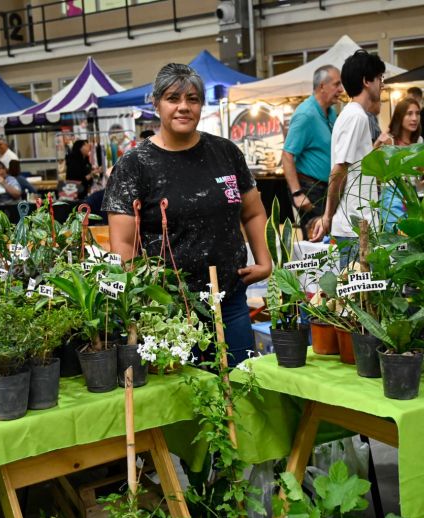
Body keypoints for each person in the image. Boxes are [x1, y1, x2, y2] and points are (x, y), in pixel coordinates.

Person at [103, 63, 271, 365]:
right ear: (156, 104)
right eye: (173, 98)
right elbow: (123, 244)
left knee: (242, 383)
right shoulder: (135, 165)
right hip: (170, 308)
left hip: (228, 299)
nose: (183, 107)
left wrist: (264, 260)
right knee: (185, 398)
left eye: (192, 99)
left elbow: (254, 212)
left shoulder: (226, 153)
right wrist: (141, 301)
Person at [310, 50, 385, 269]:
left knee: (361, 297)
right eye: (380, 78)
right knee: (357, 298)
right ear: (366, 81)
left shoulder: (354, 115)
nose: (383, 84)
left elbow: (351, 166)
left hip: (358, 224)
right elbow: (339, 170)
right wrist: (327, 215)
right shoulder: (356, 116)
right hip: (354, 226)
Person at [282, 64, 344, 238]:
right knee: (316, 240)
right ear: (322, 86)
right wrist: (297, 193)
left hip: (327, 188)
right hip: (310, 189)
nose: (341, 89)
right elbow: (287, 155)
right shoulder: (306, 114)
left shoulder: (331, 112)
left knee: (328, 239)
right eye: (337, 84)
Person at [377, 97, 423, 232]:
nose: (414, 118)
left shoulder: (419, 141)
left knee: (411, 237)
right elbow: (370, 163)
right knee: (396, 235)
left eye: (417, 113)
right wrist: (377, 144)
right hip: (392, 193)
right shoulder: (389, 140)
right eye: (409, 113)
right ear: (400, 116)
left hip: (412, 194)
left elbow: (420, 168)